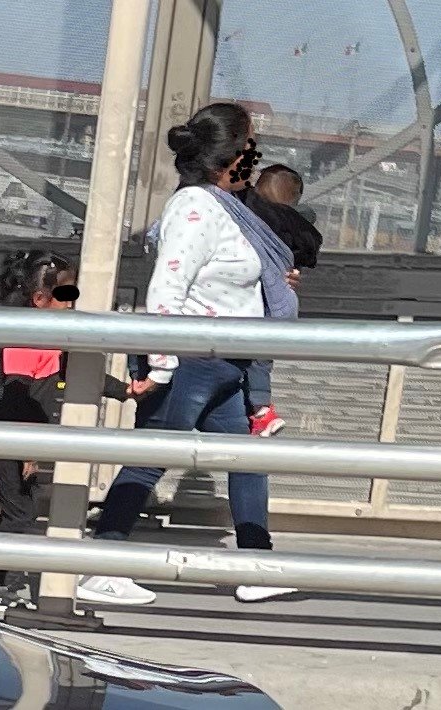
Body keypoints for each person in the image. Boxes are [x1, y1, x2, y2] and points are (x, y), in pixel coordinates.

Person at [80, 102, 299, 606]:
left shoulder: (226, 209)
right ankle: (101, 566)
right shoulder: (195, 208)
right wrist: (160, 365)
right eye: (251, 146)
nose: (255, 156)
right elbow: (166, 292)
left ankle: (254, 564)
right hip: (191, 361)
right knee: (151, 459)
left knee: (247, 459)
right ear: (233, 154)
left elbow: (230, 280)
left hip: (225, 361)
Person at [0, 249, 129, 612]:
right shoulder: (24, 338)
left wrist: (125, 390)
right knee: (21, 514)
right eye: (66, 294)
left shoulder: (50, 334)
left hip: (20, 434)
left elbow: (76, 372)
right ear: (39, 299)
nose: (73, 303)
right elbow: (18, 395)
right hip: (7, 431)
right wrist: (28, 449)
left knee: (20, 510)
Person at [237, 164, 323, 436]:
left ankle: (261, 407)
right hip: (274, 301)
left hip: (251, 302)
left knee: (255, 358)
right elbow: (301, 253)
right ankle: (261, 407)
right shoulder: (295, 227)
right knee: (260, 357)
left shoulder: (242, 212)